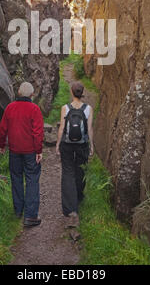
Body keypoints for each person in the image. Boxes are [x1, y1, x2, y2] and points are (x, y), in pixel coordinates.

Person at [0, 82, 44, 227]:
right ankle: (30, 216)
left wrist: (1, 145)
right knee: (32, 180)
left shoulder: (10, 108)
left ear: (18, 92)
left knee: (16, 178)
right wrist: (39, 150)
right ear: (32, 95)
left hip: (14, 151)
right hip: (30, 151)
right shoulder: (35, 109)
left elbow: (2, 129)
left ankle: (18, 210)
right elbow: (38, 132)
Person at [56, 82, 94, 220]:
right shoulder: (88, 108)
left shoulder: (65, 108)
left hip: (67, 144)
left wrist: (57, 144)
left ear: (72, 93)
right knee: (80, 170)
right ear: (82, 93)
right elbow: (89, 129)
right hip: (82, 144)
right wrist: (92, 145)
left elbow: (61, 128)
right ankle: (78, 197)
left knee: (68, 172)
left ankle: (70, 209)